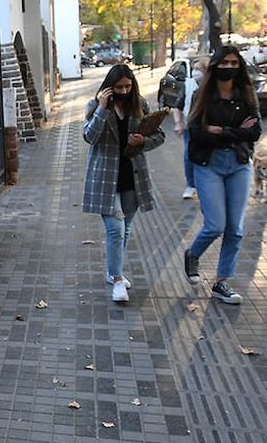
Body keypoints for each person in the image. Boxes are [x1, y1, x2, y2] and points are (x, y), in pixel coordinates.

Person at [183, 45, 263, 304]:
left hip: (239, 164)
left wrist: (221, 131)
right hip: (209, 165)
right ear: (216, 65)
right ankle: (193, 254)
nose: (229, 67)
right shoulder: (201, 96)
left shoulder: (247, 96)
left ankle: (222, 282)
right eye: (224, 62)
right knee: (215, 225)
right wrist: (234, 130)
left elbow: (254, 132)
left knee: (235, 229)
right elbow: (195, 133)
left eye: (234, 62)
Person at [83, 64, 165, 303]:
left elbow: (159, 136)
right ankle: (118, 279)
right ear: (109, 87)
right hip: (105, 178)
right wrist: (101, 109)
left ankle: (112, 271)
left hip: (132, 176)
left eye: (128, 86)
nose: (124, 90)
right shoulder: (96, 105)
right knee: (115, 230)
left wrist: (142, 142)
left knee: (125, 229)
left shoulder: (140, 105)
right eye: (118, 87)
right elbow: (89, 137)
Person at [171, 58, 207, 199]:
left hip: (208, 128)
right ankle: (191, 185)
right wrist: (178, 123)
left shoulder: (213, 87)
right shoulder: (189, 84)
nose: (196, 72)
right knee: (189, 155)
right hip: (189, 127)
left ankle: (204, 184)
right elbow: (178, 106)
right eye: (194, 68)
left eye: (200, 69)